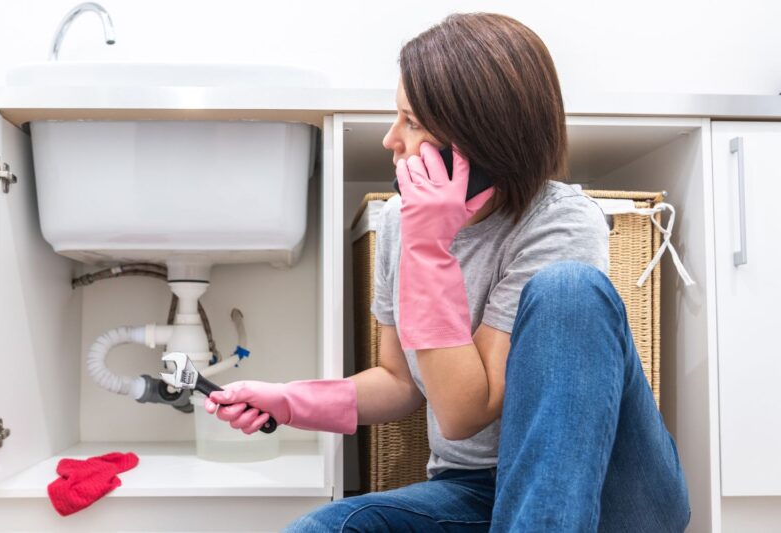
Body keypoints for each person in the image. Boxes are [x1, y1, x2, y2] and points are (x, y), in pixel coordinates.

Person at [205, 12, 690, 532]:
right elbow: (398, 382)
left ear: (476, 141)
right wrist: (291, 400)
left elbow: (464, 411)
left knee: (568, 290)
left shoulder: (561, 222)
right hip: (477, 492)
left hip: (606, 486)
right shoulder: (400, 221)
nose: (390, 139)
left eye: (411, 122)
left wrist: (428, 250)